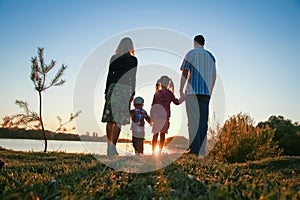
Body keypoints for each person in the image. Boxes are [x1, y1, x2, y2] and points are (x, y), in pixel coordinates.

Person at [179, 35, 216, 156]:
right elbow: (214, 76)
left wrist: (181, 89)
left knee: (193, 121)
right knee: (203, 122)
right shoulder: (211, 56)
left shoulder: (191, 54)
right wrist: (210, 91)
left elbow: (184, 72)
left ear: (195, 42)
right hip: (205, 94)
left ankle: (194, 150)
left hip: (192, 93)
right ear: (204, 43)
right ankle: (202, 150)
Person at [101, 37, 138, 157]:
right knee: (118, 120)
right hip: (124, 89)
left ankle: (109, 146)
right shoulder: (133, 60)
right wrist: (133, 92)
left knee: (109, 119)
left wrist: (106, 91)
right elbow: (133, 77)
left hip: (113, 88)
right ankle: (113, 147)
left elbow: (109, 75)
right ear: (131, 46)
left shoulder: (114, 58)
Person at [150, 75, 184, 154]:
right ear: (168, 83)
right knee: (162, 135)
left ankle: (153, 152)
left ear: (160, 83)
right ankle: (159, 151)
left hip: (156, 117)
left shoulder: (157, 94)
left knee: (155, 135)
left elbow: (153, 107)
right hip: (165, 117)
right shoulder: (169, 94)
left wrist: (151, 118)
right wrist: (183, 98)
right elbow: (177, 102)